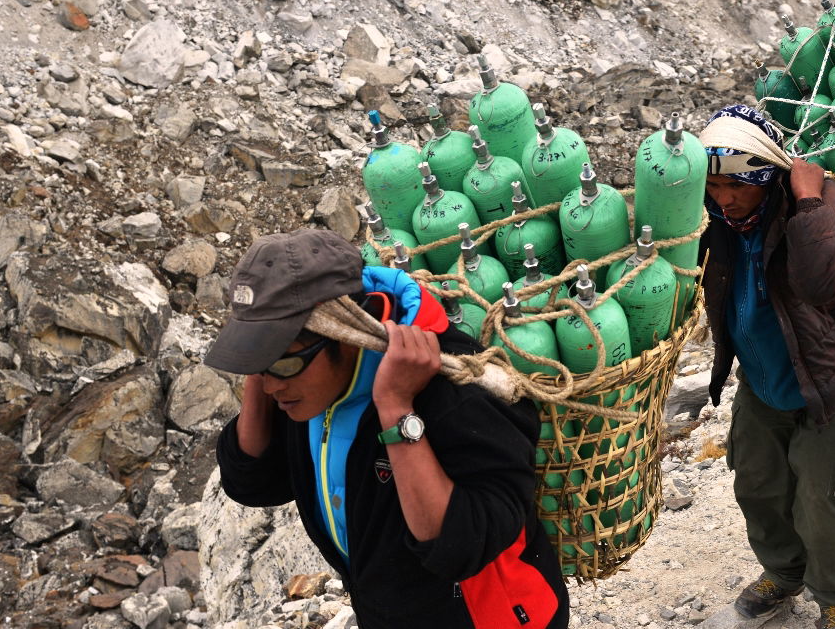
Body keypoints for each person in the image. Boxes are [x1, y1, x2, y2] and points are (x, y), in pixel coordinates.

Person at [205, 228, 568, 629]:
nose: (271, 386)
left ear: (342, 336)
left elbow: (462, 548)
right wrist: (261, 357)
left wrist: (396, 409)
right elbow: (251, 483)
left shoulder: (459, 389)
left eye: (282, 364)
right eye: (258, 363)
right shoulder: (308, 390)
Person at [696, 105, 835, 629]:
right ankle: (783, 572)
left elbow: (823, 283)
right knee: (757, 483)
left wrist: (806, 200)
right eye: (713, 187)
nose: (725, 198)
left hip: (829, 378)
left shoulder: (821, 203)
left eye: (737, 186)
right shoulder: (718, 222)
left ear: (766, 174)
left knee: (824, 498)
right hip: (761, 379)